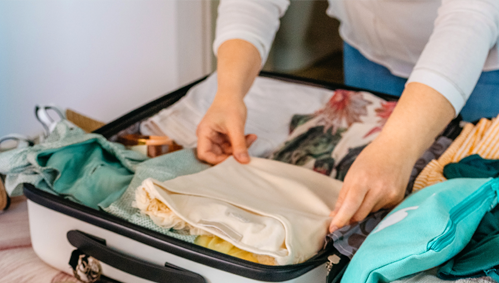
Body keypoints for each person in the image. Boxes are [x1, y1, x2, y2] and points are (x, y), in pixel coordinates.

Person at [196, 0, 499, 232]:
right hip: (369, 49)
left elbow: (471, 17)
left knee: (474, 196)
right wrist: (229, 94)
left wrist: (396, 145)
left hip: (483, 59)